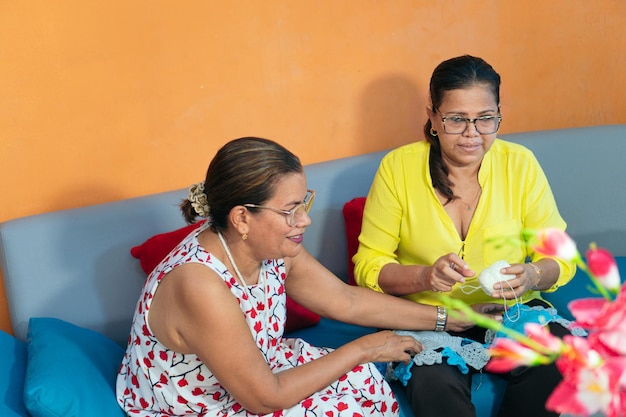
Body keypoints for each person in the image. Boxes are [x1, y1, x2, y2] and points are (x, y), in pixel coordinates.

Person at [116, 136, 503, 417]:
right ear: (241, 218)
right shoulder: (199, 284)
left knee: (362, 386)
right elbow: (263, 399)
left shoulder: (271, 249)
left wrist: (450, 319)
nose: (305, 220)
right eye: (289, 210)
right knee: (356, 375)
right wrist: (364, 349)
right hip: (204, 404)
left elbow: (343, 300)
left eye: (304, 202)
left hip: (260, 371)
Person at [353, 55, 577, 417]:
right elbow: (369, 265)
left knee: (555, 365)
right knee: (434, 385)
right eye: (457, 119)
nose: (472, 134)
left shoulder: (519, 163)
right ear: (433, 115)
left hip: (510, 314)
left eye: (485, 119)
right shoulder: (398, 168)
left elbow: (560, 258)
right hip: (429, 319)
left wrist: (532, 275)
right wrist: (425, 276)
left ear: (499, 113)